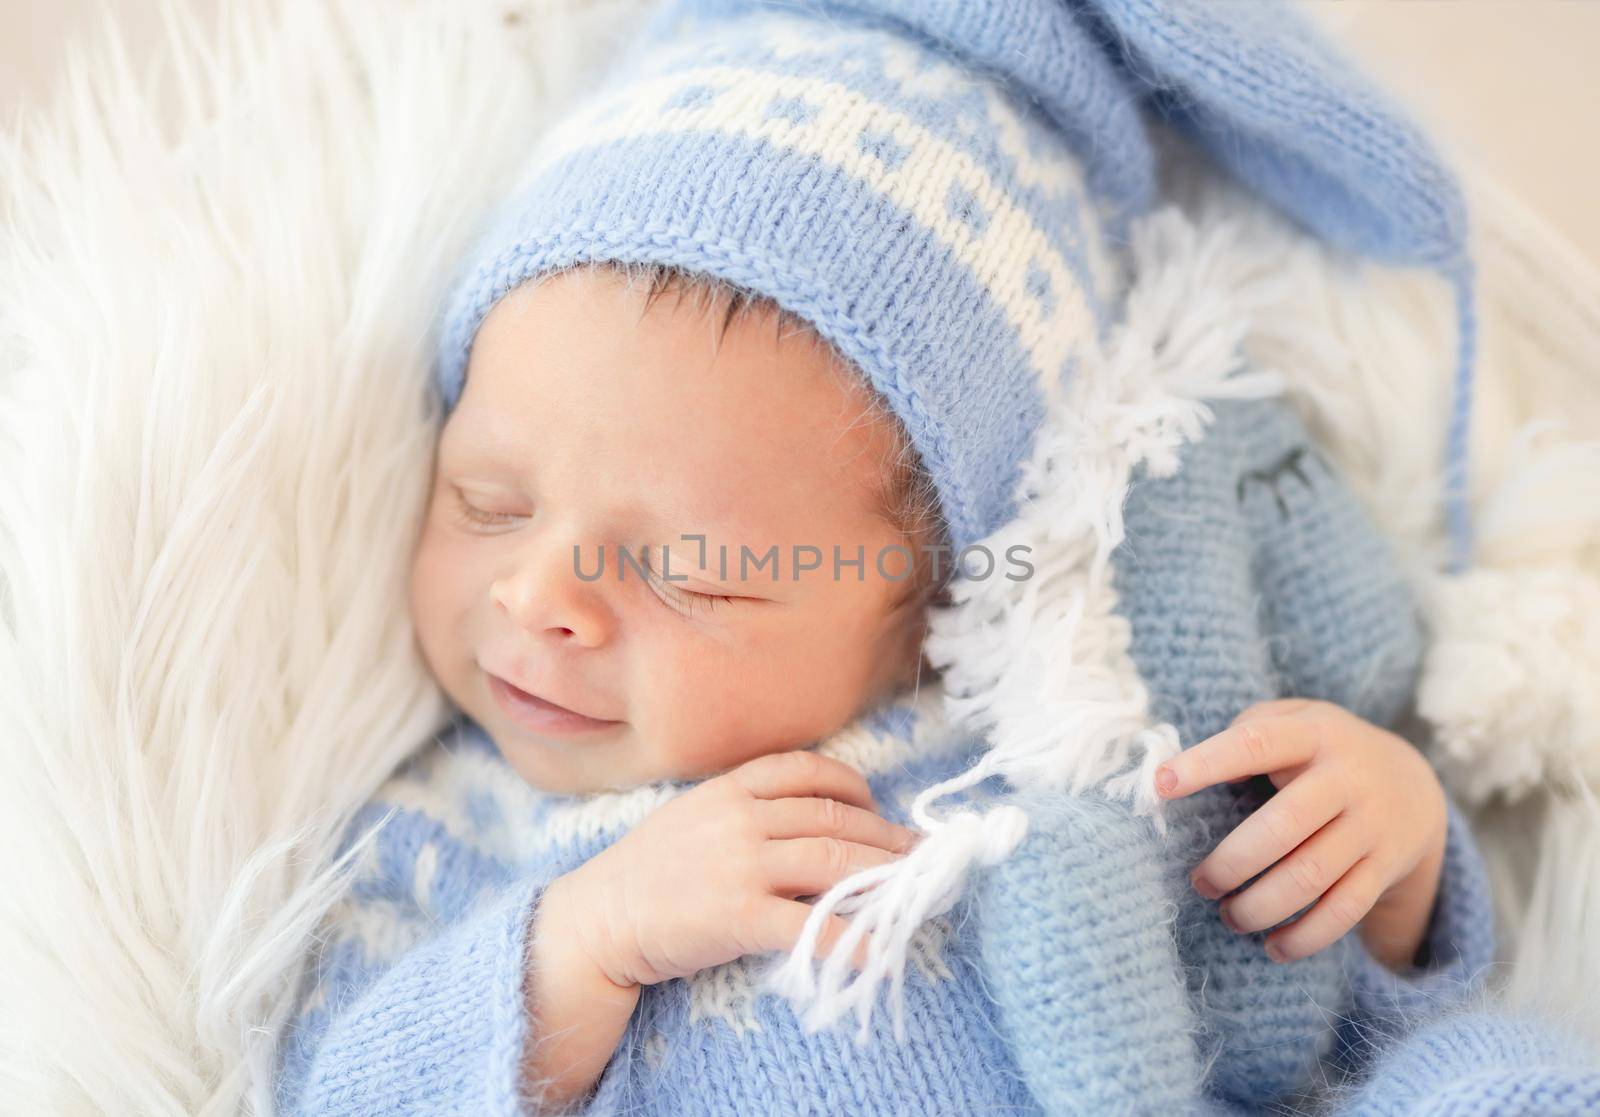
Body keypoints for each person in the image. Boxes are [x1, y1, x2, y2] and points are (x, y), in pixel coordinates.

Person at [272, 1, 1600, 1114]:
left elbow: (1301, 1038)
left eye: (688, 569)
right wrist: (581, 942)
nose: (538, 598)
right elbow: (336, 1084)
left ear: (931, 596)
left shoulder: (1042, 749)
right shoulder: (456, 836)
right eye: (487, 502)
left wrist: (1391, 860)